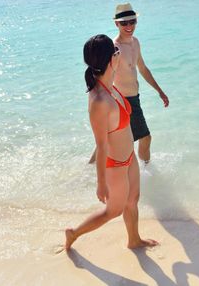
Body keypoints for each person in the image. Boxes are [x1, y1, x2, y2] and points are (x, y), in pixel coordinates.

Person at [65, 34, 158, 251]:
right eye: (116, 52)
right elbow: (101, 145)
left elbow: (136, 71)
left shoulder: (111, 83)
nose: (119, 54)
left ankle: (134, 240)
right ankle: (74, 233)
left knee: (132, 200)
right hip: (115, 166)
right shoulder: (99, 101)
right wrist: (101, 183)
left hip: (129, 158)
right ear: (110, 59)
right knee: (112, 211)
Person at [89, 3, 169, 164]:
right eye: (124, 23)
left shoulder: (135, 43)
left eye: (132, 21)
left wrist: (159, 91)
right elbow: (104, 76)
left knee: (109, 137)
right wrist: (103, 101)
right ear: (116, 24)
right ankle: (147, 169)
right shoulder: (114, 48)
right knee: (145, 137)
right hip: (123, 101)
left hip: (134, 98)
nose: (129, 26)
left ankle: (90, 168)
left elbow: (143, 69)